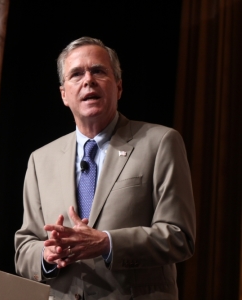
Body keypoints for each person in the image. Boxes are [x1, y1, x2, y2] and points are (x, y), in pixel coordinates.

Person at [14, 37, 196, 300]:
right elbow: (24, 249)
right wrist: (46, 255)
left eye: (98, 71)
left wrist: (106, 242)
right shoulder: (40, 160)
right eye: (76, 74)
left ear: (119, 87)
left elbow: (180, 237)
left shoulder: (160, 143)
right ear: (64, 94)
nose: (88, 80)